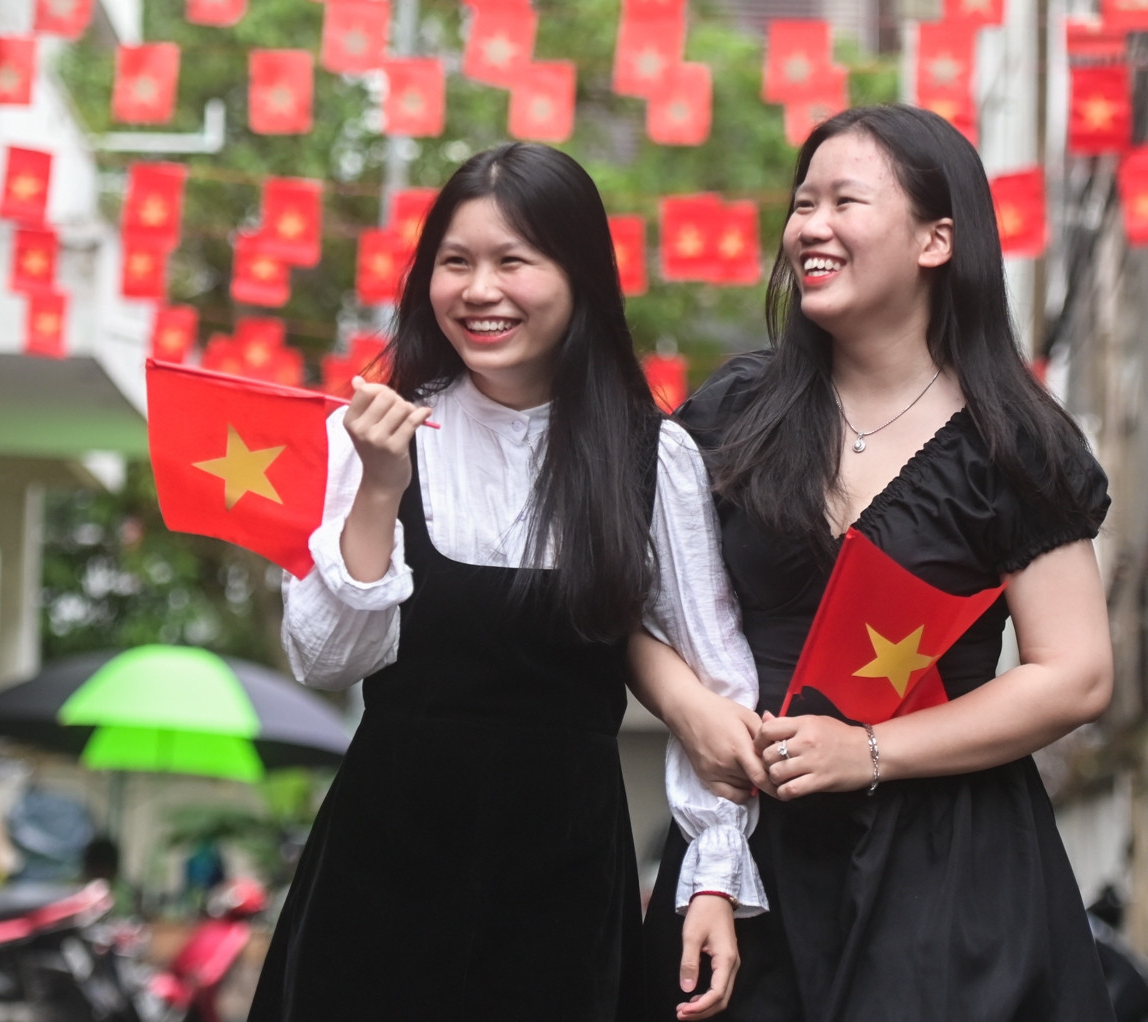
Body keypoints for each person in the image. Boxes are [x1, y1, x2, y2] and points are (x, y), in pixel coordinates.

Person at [248, 142, 764, 1021]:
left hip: (563, 884)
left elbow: (714, 678)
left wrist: (714, 878)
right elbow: (326, 657)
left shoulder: (652, 455)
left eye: (512, 261)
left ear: (580, 278)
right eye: (456, 262)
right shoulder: (369, 433)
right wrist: (380, 484)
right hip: (382, 873)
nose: (479, 291)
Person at [634, 104, 1117, 1021]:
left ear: (938, 240)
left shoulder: (1014, 444)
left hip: (951, 865)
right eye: (802, 203)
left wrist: (867, 751)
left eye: (844, 201)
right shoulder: (734, 414)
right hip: (743, 857)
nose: (809, 226)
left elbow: (1076, 675)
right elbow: (631, 603)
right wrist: (691, 710)